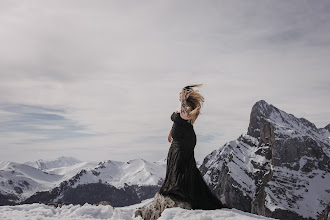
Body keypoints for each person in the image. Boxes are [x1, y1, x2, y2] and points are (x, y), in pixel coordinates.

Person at [159, 84, 227, 210]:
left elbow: (184, 116)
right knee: (173, 161)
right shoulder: (180, 106)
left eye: (182, 93)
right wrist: (170, 134)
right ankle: (178, 188)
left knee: (181, 163)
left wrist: (184, 100)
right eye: (181, 93)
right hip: (178, 139)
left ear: (187, 96)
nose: (180, 94)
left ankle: (181, 192)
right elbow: (176, 120)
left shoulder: (188, 107)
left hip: (186, 140)